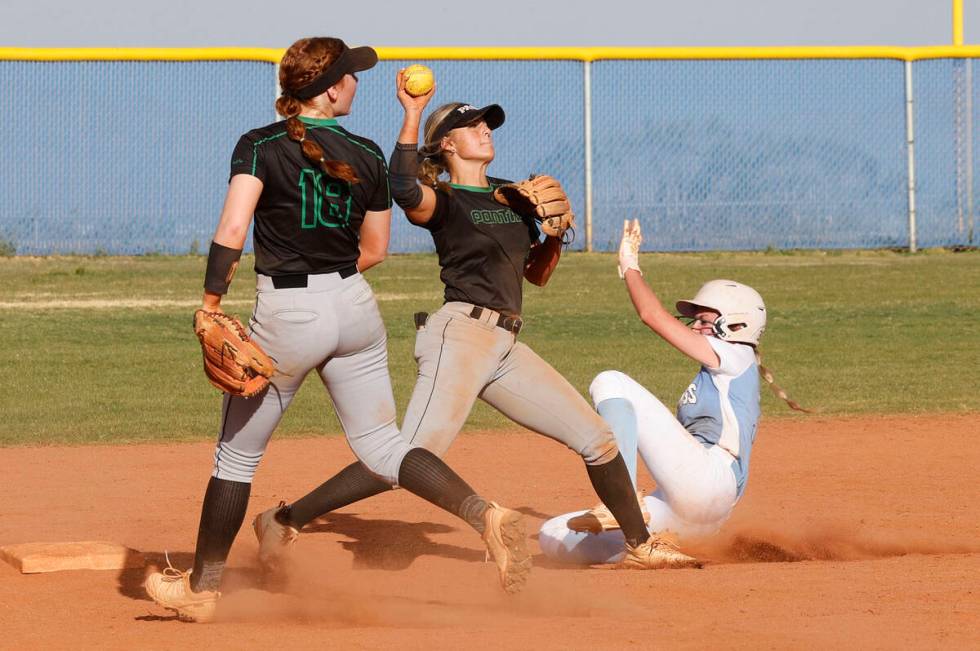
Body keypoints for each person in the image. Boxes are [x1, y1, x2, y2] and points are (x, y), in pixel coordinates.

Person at [143, 38, 530, 623]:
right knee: (383, 446)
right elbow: (375, 249)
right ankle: (484, 516)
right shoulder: (370, 153)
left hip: (287, 313)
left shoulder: (260, 145)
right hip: (354, 306)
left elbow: (232, 225)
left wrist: (210, 302)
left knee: (236, 458)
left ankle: (202, 590)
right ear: (328, 90)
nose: (356, 82)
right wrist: (333, 280)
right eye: (350, 75)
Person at [250, 70, 685, 575]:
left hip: (506, 344)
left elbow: (535, 276)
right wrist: (412, 114)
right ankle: (284, 519)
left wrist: (552, 236)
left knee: (598, 439)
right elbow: (404, 188)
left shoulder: (513, 197)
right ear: (447, 145)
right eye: (471, 125)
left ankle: (640, 544)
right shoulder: (446, 201)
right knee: (406, 457)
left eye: (486, 123)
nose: (485, 129)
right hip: (459, 337)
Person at [538, 220, 808, 565]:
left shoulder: (736, 354)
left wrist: (630, 265)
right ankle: (642, 551)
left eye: (704, 319)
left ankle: (622, 499)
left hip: (710, 482)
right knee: (554, 534)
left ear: (737, 325)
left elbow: (651, 315)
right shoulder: (719, 370)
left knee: (610, 381)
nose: (695, 325)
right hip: (690, 512)